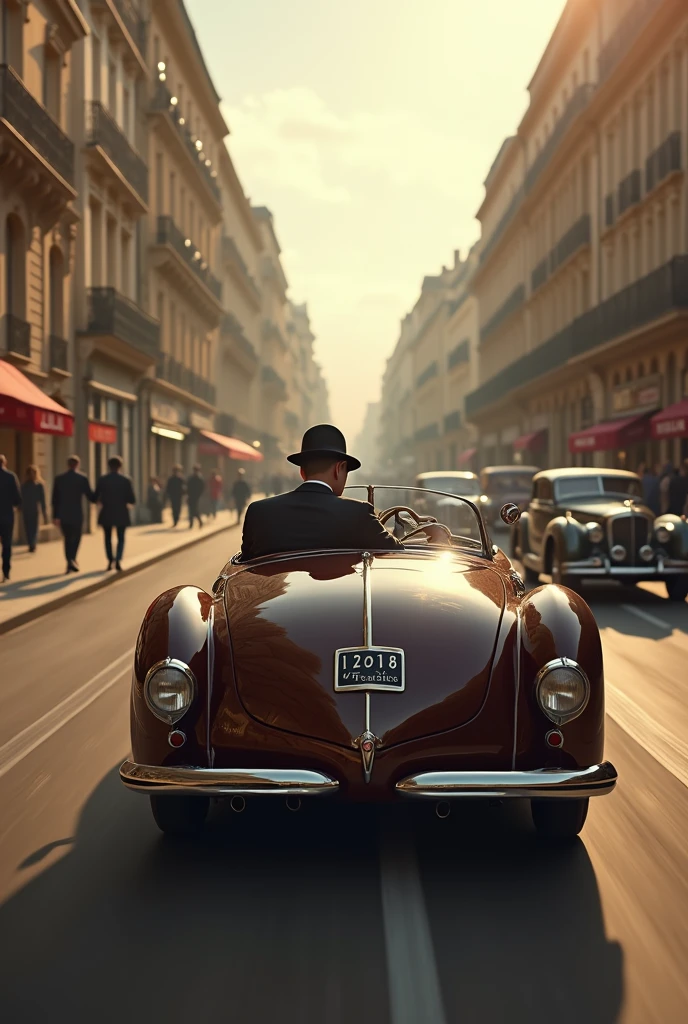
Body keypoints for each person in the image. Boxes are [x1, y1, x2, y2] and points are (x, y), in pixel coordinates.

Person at [239, 424, 408, 561]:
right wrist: (434, 536)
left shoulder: (259, 511)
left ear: (302, 472)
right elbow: (397, 553)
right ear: (339, 468)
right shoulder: (358, 513)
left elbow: (245, 563)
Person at [52, 455, 95, 573]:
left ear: (68, 465)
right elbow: (90, 496)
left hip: (63, 514)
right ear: (77, 465)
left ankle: (69, 561)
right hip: (77, 513)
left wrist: (55, 516)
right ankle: (72, 559)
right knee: (76, 538)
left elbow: (54, 499)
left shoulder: (59, 479)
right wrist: (101, 498)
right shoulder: (82, 478)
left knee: (67, 538)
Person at [95, 455, 136, 570]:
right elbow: (132, 499)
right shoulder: (126, 480)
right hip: (121, 512)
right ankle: (118, 559)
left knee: (107, 538)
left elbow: (95, 497)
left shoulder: (103, 480)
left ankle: (109, 560)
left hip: (107, 512)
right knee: (121, 537)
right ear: (120, 466)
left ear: (109, 466)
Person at [0, 454, 21, 582]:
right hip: (7, 515)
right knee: (7, 544)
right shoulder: (11, 476)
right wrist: (14, 505)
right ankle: (6, 573)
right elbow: (18, 498)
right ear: (5, 463)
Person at [21, 465, 47, 552]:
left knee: (29, 527)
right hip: (32, 508)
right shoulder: (38, 485)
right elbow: (42, 500)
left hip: (28, 509)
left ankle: (31, 543)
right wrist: (44, 512)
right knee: (32, 527)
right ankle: (32, 543)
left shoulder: (25, 485)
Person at [187, 464, 205, 528]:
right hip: (191, 496)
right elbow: (188, 487)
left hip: (196, 497)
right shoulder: (191, 478)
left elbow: (202, 488)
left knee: (194, 510)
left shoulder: (200, 478)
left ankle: (199, 521)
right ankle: (191, 523)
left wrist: (199, 495)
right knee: (191, 510)